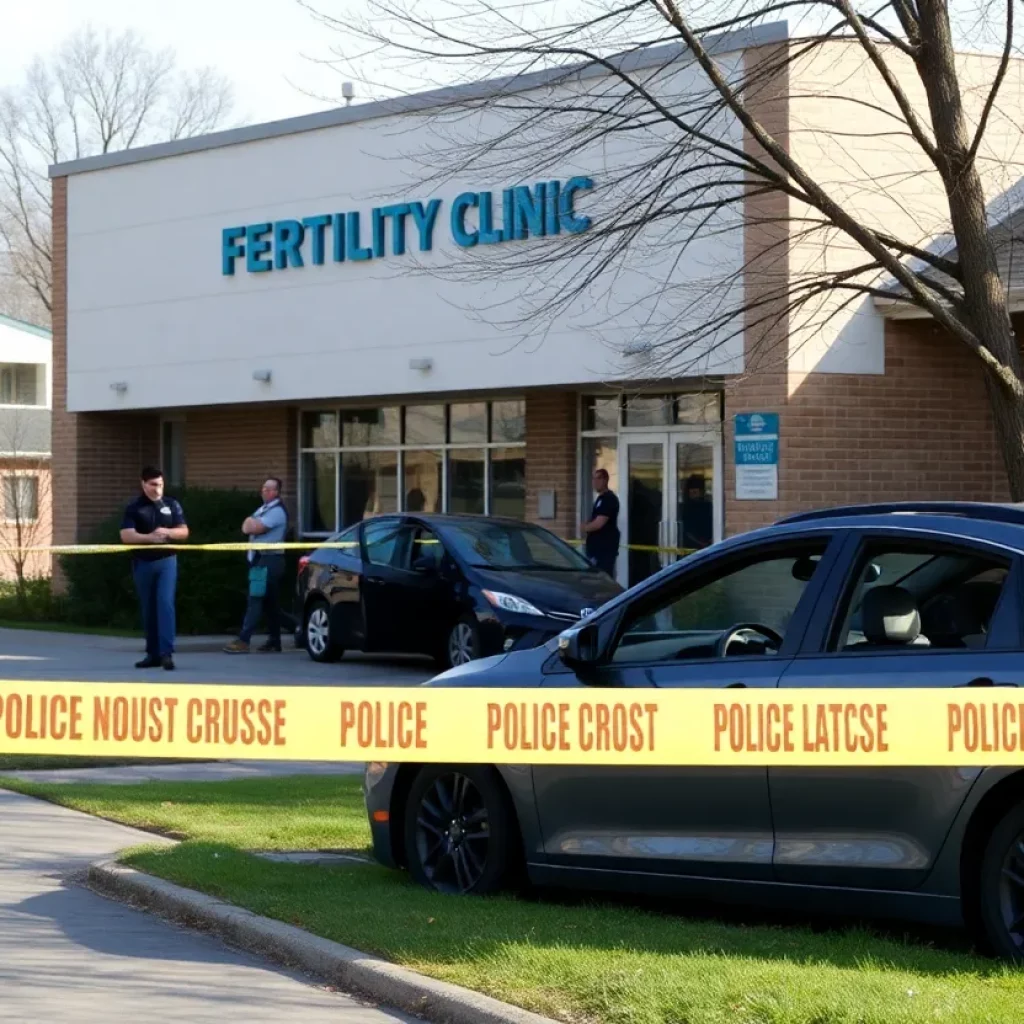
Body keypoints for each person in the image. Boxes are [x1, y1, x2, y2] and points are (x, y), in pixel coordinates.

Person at [120, 466, 189, 670]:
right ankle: (153, 654)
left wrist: (167, 532)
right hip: (143, 563)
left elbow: (184, 531)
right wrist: (149, 538)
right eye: (152, 485)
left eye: (160, 485)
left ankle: (167, 654)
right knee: (149, 608)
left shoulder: (171, 504)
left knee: (165, 604)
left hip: (167, 561)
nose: (157, 489)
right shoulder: (134, 507)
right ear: (143, 484)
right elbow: (126, 535)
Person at [223, 477, 290, 654]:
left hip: (269, 560)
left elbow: (254, 527)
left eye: (270, 489)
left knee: (255, 598)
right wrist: (250, 524)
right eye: (264, 488)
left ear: (277, 492)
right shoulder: (264, 509)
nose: (265, 491)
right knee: (271, 604)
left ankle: (244, 640)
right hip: (261, 560)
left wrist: (251, 524)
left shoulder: (276, 512)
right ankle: (281, 638)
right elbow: (246, 526)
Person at [581, 467, 620, 577]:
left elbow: (599, 523)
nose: (595, 482)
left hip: (603, 551)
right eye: (593, 479)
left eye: (598, 479)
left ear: (605, 480)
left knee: (602, 578)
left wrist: (585, 527)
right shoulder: (600, 499)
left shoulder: (609, 499)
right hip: (595, 549)